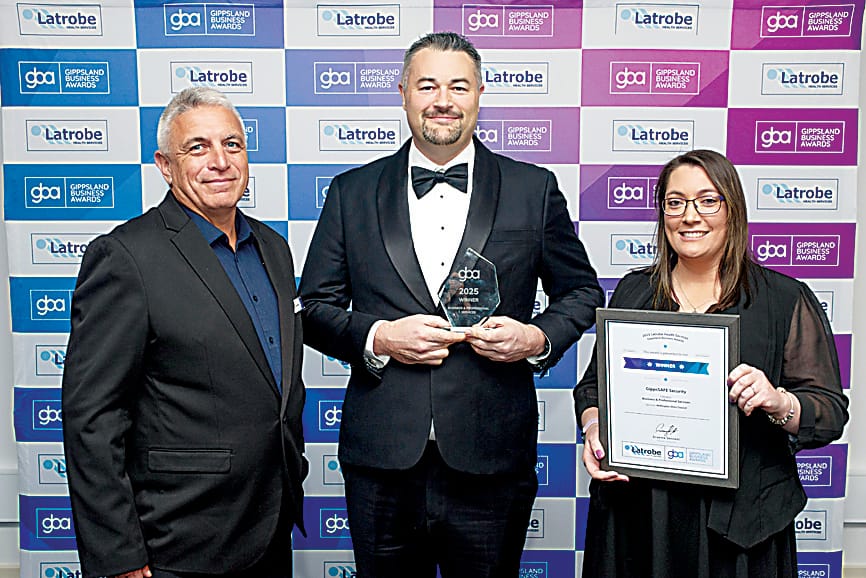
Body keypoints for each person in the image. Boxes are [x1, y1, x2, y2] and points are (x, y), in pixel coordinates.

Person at [298, 31, 602, 577]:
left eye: (458, 85)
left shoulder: (533, 188)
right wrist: (379, 338)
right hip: (381, 461)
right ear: (403, 93)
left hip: (491, 460)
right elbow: (314, 308)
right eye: (427, 85)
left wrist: (536, 339)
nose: (443, 99)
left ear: (480, 93)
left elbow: (581, 293)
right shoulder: (351, 192)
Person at [62, 87, 307, 578]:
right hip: (178, 541)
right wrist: (119, 555)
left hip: (269, 525)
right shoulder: (126, 256)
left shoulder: (274, 247)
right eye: (197, 147)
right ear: (165, 166)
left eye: (232, 145)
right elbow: (93, 415)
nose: (219, 161)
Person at [573, 149, 849, 577]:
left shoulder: (782, 299)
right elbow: (593, 389)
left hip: (741, 527)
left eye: (707, 200)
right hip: (639, 516)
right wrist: (595, 429)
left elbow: (829, 414)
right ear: (663, 214)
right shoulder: (633, 293)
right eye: (675, 202)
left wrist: (777, 401)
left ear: (732, 210)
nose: (690, 216)